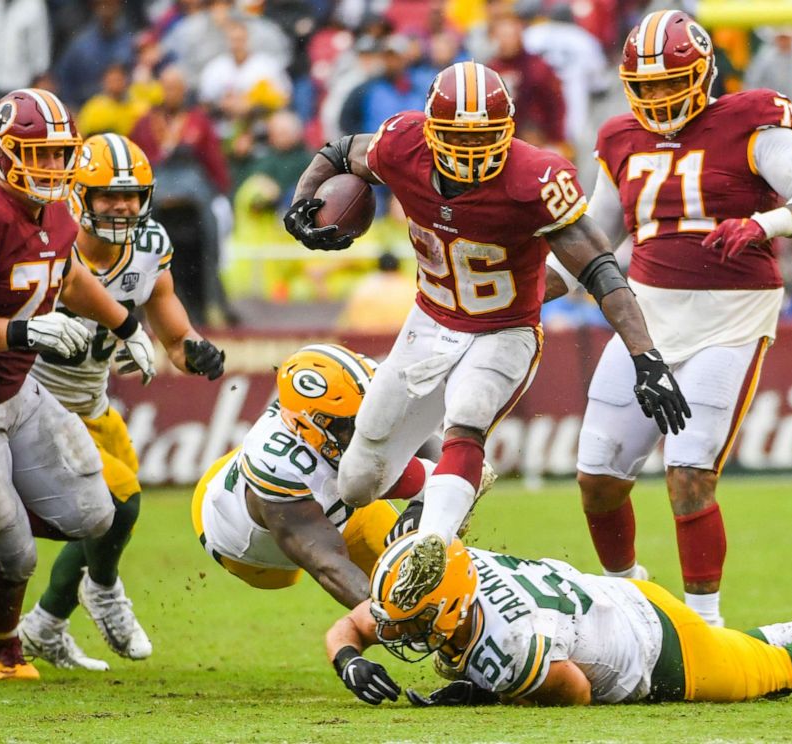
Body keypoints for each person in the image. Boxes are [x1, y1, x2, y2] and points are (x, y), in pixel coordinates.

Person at [283, 60, 689, 612]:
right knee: (356, 483)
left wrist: (646, 355)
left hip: (505, 328)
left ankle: (433, 546)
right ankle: (446, 484)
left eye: (485, 138)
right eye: (457, 138)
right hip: (429, 322)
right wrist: (302, 202)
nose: (472, 152)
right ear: (429, 130)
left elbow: (599, 267)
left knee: (468, 414)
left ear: (509, 131)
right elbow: (338, 152)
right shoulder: (401, 144)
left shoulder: (534, 178)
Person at [543, 10, 792, 627]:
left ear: (702, 73)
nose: (655, 97)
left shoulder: (750, 121)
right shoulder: (618, 139)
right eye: (644, 87)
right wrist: (514, 290)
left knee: (688, 473)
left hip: (731, 318)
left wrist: (766, 222)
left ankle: (705, 623)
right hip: (645, 322)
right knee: (597, 476)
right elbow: (592, 249)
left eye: (666, 83)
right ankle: (630, 596)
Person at [0, 89, 157, 681]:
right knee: (14, 553)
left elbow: (67, 276)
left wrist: (127, 324)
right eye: (36, 154)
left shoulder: (61, 214)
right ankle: (2, 647)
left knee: (95, 512)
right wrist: (25, 334)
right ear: (3, 152)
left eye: (57, 154)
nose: (49, 167)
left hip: (17, 395)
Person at [18, 133, 226, 671]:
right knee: (119, 500)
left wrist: (196, 352)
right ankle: (103, 595)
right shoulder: (49, 242)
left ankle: (45, 625)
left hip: (91, 402)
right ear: (78, 195)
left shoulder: (149, 247)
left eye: (132, 195)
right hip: (32, 399)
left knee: (111, 520)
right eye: (108, 194)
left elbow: (174, 336)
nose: (122, 206)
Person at [326, 536, 792, 707]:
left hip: (655, 651)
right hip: (625, 599)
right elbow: (352, 626)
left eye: (411, 624)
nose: (399, 633)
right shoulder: (455, 574)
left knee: (771, 676)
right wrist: (349, 659)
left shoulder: (509, 643)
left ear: (453, 607)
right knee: (735, 651)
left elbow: (574, 690)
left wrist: (488, 691)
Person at [190, 343, 494, 609]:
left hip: (328, 495)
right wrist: (395, 620)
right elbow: (329, 565)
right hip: (247, 547)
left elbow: (415, 436)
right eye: (352, 423)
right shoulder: (280, 470)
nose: (368, 426)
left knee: (434, 576)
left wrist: (435, 498)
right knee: (402, 594)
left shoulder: (356, 394)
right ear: (313, 425)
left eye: (368, 413)